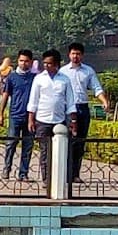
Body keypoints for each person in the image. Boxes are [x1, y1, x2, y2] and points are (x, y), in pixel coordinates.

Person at [59, 42, 110, 187]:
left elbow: (96, 88)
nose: (75, 56)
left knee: (80, 142)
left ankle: (75, 174)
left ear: (82, 55)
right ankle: (63, 173)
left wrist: (104, 101)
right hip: (67, 109)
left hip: (82, 108)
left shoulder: (88, 71)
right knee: (66, 141)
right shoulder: (62, 72)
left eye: (78, 54)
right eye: (73, 53)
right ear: (69, 55)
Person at [28, 49, 77, 189]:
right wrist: (31, 120)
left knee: (60, 152)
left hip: (59, 121)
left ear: (56, 64)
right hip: (42, 120)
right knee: (45, 151)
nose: (46, 66)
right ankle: (46, 179)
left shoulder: (64, 79)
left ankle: (59, 178)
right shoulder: (39, 79)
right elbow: (33, 101)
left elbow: (70, 102)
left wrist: (73, 122)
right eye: (44, 63)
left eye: (49, 64)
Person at [0, 49, 37, 180]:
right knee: (11, 144)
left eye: (26, 61)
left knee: (27, 146)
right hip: (15, 115)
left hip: (30, 117)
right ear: (17, 61)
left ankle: (23, 173)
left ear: (30, 62)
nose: (23, 63)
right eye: (21, 61)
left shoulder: (35, 78)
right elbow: (5, 96)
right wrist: (1, 114)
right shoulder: (12, 77)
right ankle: (6, 169)